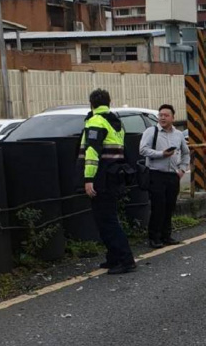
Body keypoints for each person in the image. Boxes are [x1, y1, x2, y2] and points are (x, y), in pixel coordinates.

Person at [80, 89, 136, 275]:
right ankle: (113, 258)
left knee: (107, 220)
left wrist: (88, 179)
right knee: (107, 218)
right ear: (109, 102)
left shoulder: (96, 121)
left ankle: (125, 259)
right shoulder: (115, 122)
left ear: (91, 103)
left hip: (101, 177)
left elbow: (92, 153)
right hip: (115, 175)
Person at [139, 104, 190, 249]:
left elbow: (186, 153)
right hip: (156, 174)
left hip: (173, 176)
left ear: (173, 118)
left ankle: (166, 235)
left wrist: (182, 169)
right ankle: (154, 237)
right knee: (158, 206)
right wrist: (161, 154)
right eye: (160, 115)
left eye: (166, 115)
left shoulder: (178, 134)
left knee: (170, 206)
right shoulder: (152, 131)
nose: (162, 117)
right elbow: (142, 150)